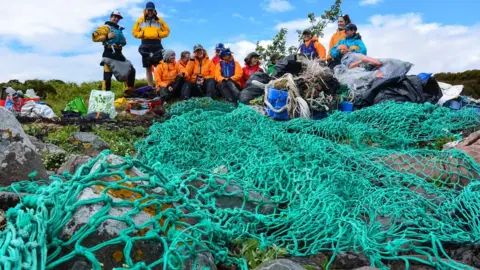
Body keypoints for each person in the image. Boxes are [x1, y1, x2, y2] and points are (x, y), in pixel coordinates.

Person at [92, 11, 136, 95]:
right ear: (111, 17)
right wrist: (106, 37)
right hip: (109, 53)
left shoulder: (119, 30)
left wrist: (123, 41)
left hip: (118, 53)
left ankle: (129, 91)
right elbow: (94, 37)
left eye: (118, 17)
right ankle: (106, 95)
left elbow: (123, 42)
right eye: (114, 17)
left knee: (131, 70)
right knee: (107, 77)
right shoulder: (106, 27)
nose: (116, 19)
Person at [132, 1, 170, 88]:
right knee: (148, 66)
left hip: (157, 44)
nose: (150, 12)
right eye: (148, 10)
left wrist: (159, 34)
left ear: (154, 10)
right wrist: (142, 34)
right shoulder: (140, 20)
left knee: (160, 65)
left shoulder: (159, 20)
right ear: (145, 10)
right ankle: (150, 87)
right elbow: (134, 32)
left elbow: (167, 31)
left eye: (151, 10)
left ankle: (160, 85)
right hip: (145, 44)